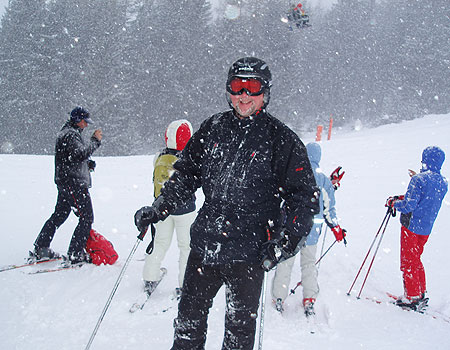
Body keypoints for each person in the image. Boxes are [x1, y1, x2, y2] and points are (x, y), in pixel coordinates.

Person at [134, 57, 319, 350]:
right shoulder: (214, 127)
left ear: (265, 93)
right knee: (187, 327)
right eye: (237, 86)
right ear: (228, 90)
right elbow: (186, 175)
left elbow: (304, 199)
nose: (244, 95)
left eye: (252, 87)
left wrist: (284, 242)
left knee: (238, 335)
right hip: (204, 247)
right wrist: (160, 207)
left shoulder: (280, 139)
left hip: (249, 253)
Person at [271, 142, 346, 316]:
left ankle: (279, 297)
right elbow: (329, 208)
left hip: (293, 228)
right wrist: (336, 228)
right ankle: (310, 297)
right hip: (313, 232)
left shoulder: (295, 172)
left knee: (285, 262)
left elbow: (283, 200)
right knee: (309, 264)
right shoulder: (323, 180)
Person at [30, 106, 102, 264]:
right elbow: (79, 154)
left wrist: (87, 164)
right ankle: (75, 255)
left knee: (60, 214)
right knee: (86, 217)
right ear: (77, 120)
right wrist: (95, 141)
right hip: (73, 183)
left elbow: (71, 157)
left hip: (66, 181)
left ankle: (41, 247)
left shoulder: (68, 133)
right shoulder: (70, 135)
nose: (87, 125)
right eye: (84, 121)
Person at [386, 146, 447, 310]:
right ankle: (420, 291)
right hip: (426, 228)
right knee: (416, 258)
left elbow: (409, 205)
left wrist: (394, 203)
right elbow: (424, 200)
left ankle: (411, 297)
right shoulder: (442, 182)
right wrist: (401, 198)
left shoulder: (418, 180)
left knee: (408, 261)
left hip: (411, 226)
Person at [142, 119, 196, 298]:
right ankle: (184, 284)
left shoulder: (159, 157)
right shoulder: (189, 158)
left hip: (162, 210)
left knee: (159, 243)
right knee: (186, 247)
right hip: (185, 210)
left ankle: (150, 277)